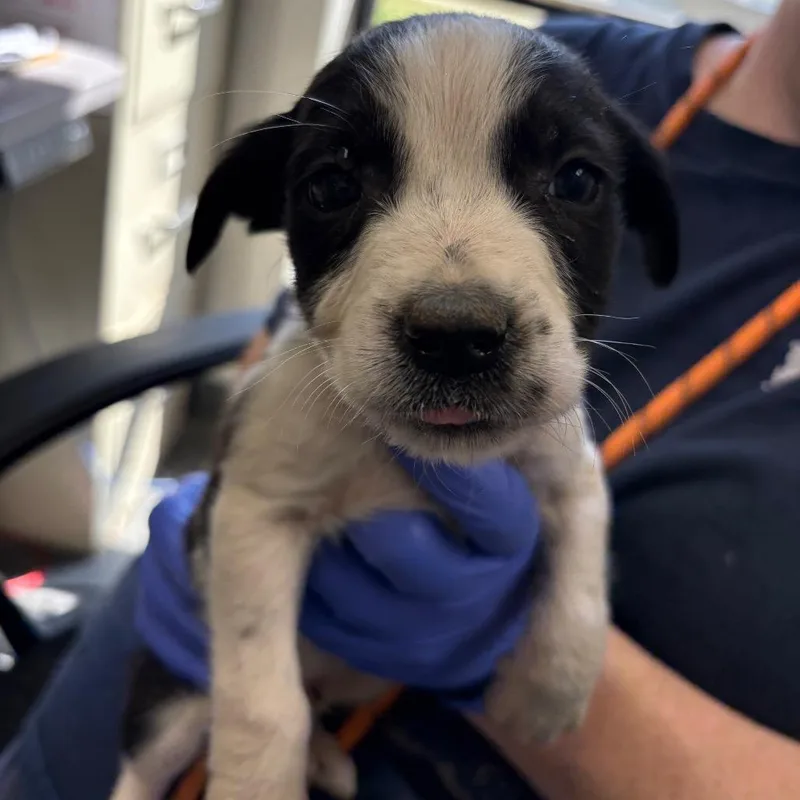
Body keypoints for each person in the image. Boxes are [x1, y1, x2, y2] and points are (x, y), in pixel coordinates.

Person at [1, 2, 799, 798]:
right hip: (143, 698)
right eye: (337, 184)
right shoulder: (577, 56)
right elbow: (267, 421)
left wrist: (553, 647)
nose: (454, 298)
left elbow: (573, 488)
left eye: (573, 182)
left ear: (639, 213)